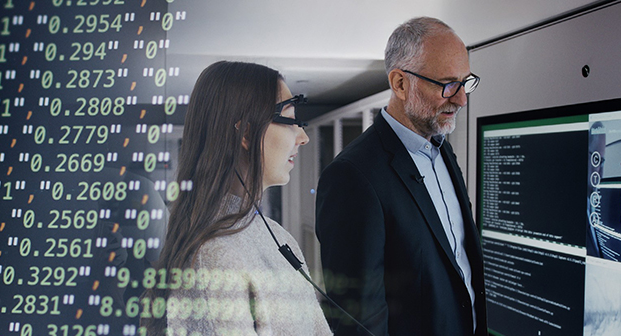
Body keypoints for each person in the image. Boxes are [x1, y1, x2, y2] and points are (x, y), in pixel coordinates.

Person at [315, 17, 487, 335]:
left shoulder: (443, 150)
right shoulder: (351, 176)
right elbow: (360, 323)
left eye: (466, 82)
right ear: (400, 84)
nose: (462, 99)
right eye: (448, 85)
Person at [141, 61, 332, 336]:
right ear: (247, 134)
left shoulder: (279, 236)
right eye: (290, 120)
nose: (303, 137)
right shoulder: (212, 257)